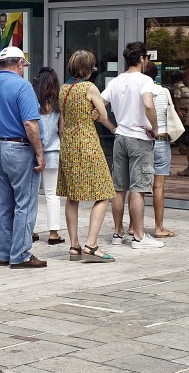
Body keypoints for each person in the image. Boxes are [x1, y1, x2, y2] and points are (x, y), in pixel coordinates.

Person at [0, 46, 46, 269]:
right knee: (25, 203)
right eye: (23, 66)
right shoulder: (22, 86)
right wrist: (39, 153)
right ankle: (20, 254)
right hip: (18, 149)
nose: (24, 69)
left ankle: (4, 253)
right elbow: (30, 124)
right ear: (19, 63)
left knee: (3, 203)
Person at [103, 41, 163, 250]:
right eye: (146, 58)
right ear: (141, 59)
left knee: (119, 188)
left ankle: (118, 233)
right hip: (139, 138)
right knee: (138, 188)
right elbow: (148, 104)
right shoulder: (145, 80)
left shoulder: (116, 81)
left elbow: (98, 106)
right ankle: (138, 236)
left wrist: (112, 126)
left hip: (120, 137)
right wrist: (154, 127)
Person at [58, 50, 117, 262]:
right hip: (87, 143)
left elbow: (62, 123)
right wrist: (111, 127)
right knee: (104, 192)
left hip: (68, 144)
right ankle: (91, 245)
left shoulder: (64, 89)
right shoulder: (89, 87)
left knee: (72, 196)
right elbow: (102, 115)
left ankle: (74, 245)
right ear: (88, 68)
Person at [144, 62, 176, 238]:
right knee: (159, 186)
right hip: (162, 140)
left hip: (142, 140)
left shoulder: (140, 92)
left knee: (137, 186)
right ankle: (159, 227)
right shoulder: (164, 91)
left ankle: (134, 227)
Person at [33, 67, 64, 246]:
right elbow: (61, 130)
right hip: (53, 152)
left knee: (32, 194)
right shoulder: (58, 104)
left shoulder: (32, 102)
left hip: (34, 153)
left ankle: (30, 230)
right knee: (52, 194)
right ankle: (53, 233)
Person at [172, 70, 189, 177]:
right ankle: (182, 148)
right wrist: (178, 111)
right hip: (185, 113)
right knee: (184, 135)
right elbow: (176, 99)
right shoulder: (180, 86)